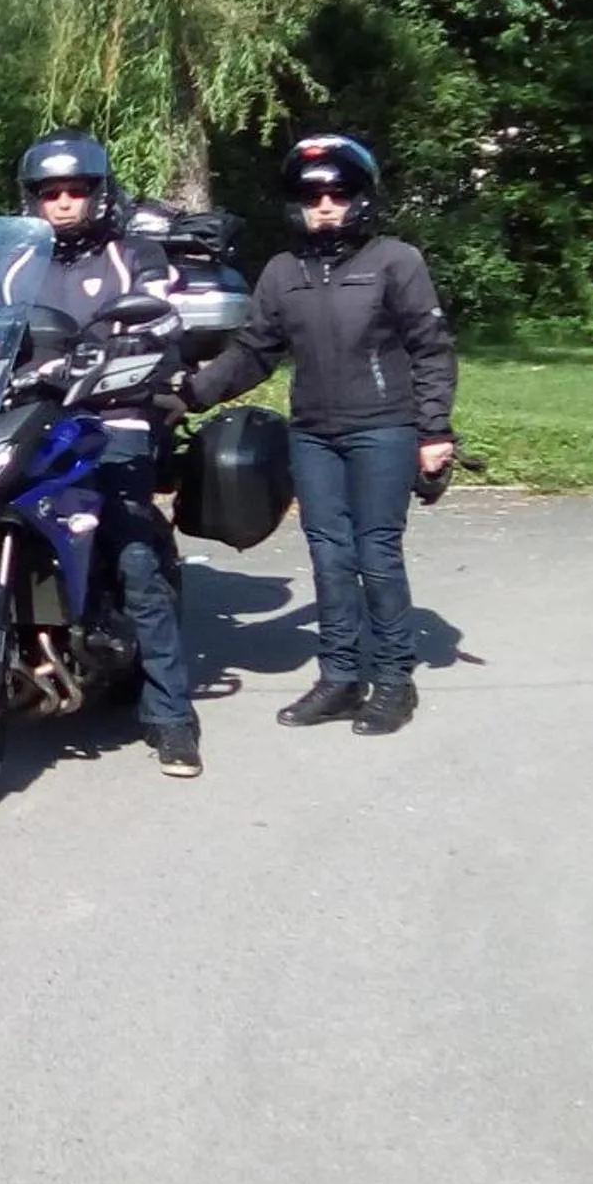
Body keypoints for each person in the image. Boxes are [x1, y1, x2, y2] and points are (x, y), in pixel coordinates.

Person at [184, 134, 456, 735]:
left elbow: (431, 349)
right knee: (329, 556)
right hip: (313, 435)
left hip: (383, 429)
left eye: (339, 192)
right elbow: (255, 351)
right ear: (297, 204)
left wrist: (434, 430)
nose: (326, 204)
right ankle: (338, 678)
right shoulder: (283, 273)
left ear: (361, 198)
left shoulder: (395, 261)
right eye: (314, 195)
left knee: (375, 555)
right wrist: (188, 394)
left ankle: (393, 680)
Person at [16, 129, 201, 778]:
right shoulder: (16, 262)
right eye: (50, 192)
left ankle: (171, 715)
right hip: (27, 417)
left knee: (133, 555)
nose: (62, 202)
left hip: (112, 416)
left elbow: (164, 320)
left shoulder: (136, 255)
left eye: (75, 190)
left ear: (99, 193)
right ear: (33, 200)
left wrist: (137, 349)